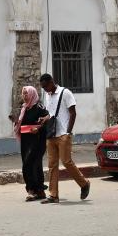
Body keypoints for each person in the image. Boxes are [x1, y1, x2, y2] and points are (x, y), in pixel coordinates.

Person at [39, 73, 90, 204]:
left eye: (45, 86)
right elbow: (51, 114)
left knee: (66, 162)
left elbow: (73, 113)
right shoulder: (48, 96)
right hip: (51, 134)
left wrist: (68, 132)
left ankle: (84, 183)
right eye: (43, 88)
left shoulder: (65, 93)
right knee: (52, 165)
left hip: (63, 134)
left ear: (51, 82)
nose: (45, 89)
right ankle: (53, 195)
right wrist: (45, 118)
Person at [10, 85, 48, 201]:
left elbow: (47, 121)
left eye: (26, 93)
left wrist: (38, 128)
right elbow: (22, 123)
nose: (24, 96)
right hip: (26, 141)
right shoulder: (24, 108)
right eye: (23, 94)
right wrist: (16, 121)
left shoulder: (39, 107)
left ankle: (34, 190)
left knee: (33, 165)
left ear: (32, 94)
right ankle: (37, 190)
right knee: (27, 164)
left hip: (37, 140)